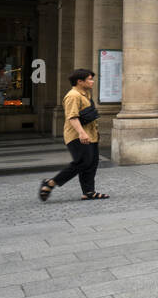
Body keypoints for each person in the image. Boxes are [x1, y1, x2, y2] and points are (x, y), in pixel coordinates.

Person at [39, 68, 108, 201]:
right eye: (89, 79)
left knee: (92, 163)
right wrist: (82, 133)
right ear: (79, 81)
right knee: (82, 162)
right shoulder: (73, 96)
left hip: (90, 135)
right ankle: (51, 183)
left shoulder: (85, 94)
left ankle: (88, 192)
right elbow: (72, 117)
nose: (92, 82)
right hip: (77, 136)